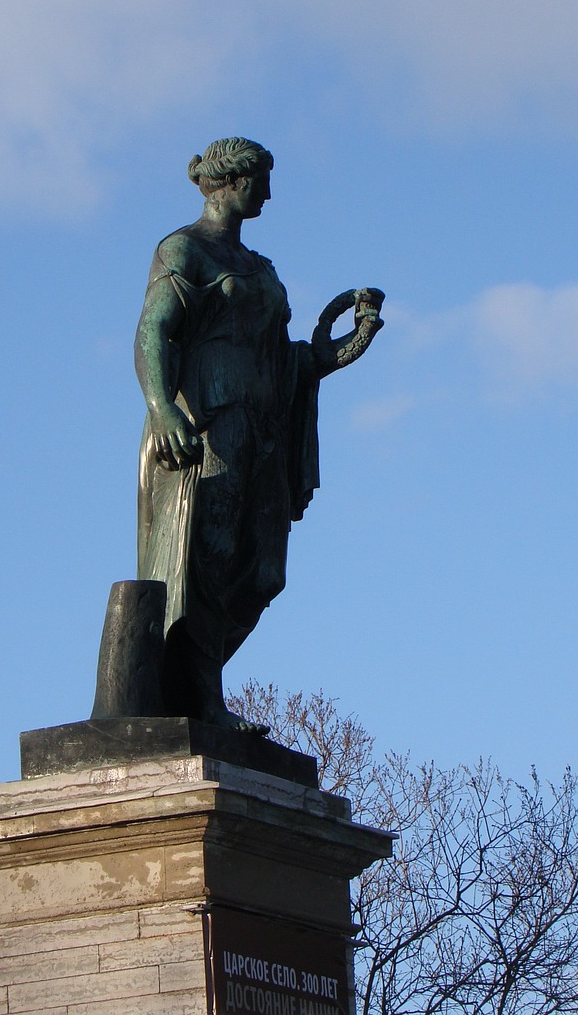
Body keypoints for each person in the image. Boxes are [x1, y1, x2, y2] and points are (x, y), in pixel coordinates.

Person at [135, 137, 382, 732]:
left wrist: (324, 357)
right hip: (206, 425)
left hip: (265, 425)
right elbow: (153, 334)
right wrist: (163, 408)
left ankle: (193, 686)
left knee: (264, 569)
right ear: (234, 180)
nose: (269, 193)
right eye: (261, 180)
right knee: (208, 557)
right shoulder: (184, 249)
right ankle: (202, 700)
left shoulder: (261, 268)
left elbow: (280, 356)